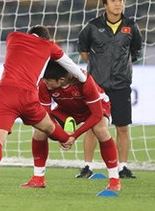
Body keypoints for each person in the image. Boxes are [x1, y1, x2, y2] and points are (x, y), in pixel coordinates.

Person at [0, 25, 87, 191]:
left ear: (29, 34)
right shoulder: (49, 45)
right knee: (48, 127)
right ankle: (66, 139)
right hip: (28, 96)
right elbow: (69, 64)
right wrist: (81, 78)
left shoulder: (12, 37)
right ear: (45, 38)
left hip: (6, 94)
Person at [20, 61, 120, 192]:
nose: (45, 82)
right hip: (66, 110)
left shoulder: (84, 81)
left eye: (48, 80)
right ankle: (38, 178)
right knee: (40, 131)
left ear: (61, 80)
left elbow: (96, 115)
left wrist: (73, 136)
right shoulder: (45, 85)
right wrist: (61, 136)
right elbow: (45, 115)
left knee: (100, 130)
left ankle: (114, 180)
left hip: (96, 107)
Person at [76, 0, 142, 180]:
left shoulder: (131, 26)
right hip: (97, 86)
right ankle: (87, 166)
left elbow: (135, 52)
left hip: (121, 85)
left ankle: (122, 167)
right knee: (93, 125)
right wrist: (98, 68)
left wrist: (120, 68)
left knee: (122, 127)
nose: (118, 3)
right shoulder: (93, 26)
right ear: (105, 4)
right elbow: (83, 48)